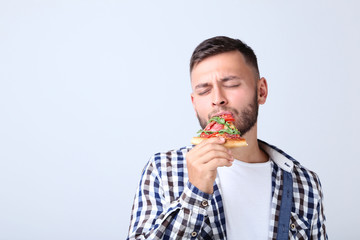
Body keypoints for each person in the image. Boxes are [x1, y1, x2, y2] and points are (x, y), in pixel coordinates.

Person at [126, 36, 327, 239]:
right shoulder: (163, 170)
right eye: (204, 90)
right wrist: (195, 193)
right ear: (194, 104)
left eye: (231, 84)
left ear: (261, 91)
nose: (217, 99)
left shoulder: (305, 182)